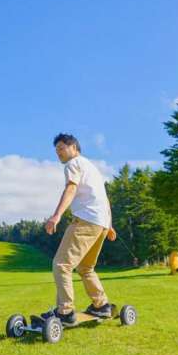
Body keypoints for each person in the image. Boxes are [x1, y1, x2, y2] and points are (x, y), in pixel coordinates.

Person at [40, 133, 117, 325]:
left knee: (61, 265)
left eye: (61, 148)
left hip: (85, 221)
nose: (58, 152)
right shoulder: (91, 167)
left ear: (73, 147)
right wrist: (109, 225)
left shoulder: (73, 164)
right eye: (56, 150)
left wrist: (56, 216)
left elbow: (71, 189)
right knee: (86, 267)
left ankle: (65, 311)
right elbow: (103, 198)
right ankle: (101, 305)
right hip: (100, 223)